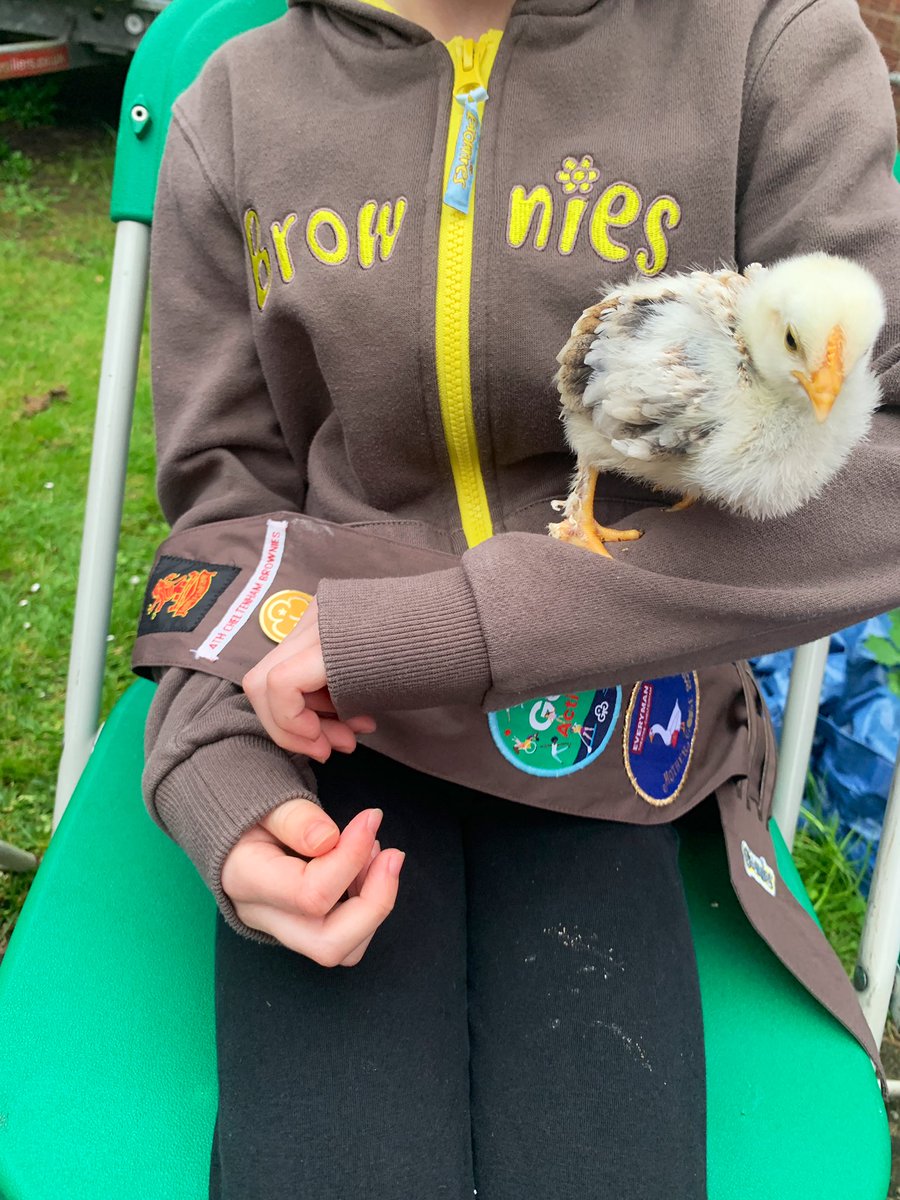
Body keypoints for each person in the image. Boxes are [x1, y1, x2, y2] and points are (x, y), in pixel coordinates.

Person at [136, 0, 900, 1195]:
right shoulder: (231, 110)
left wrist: (471, 627)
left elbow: (876, 457)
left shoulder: (768, 45)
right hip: (330, 727)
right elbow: (226, 506)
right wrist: (208, 756)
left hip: (619, 731)